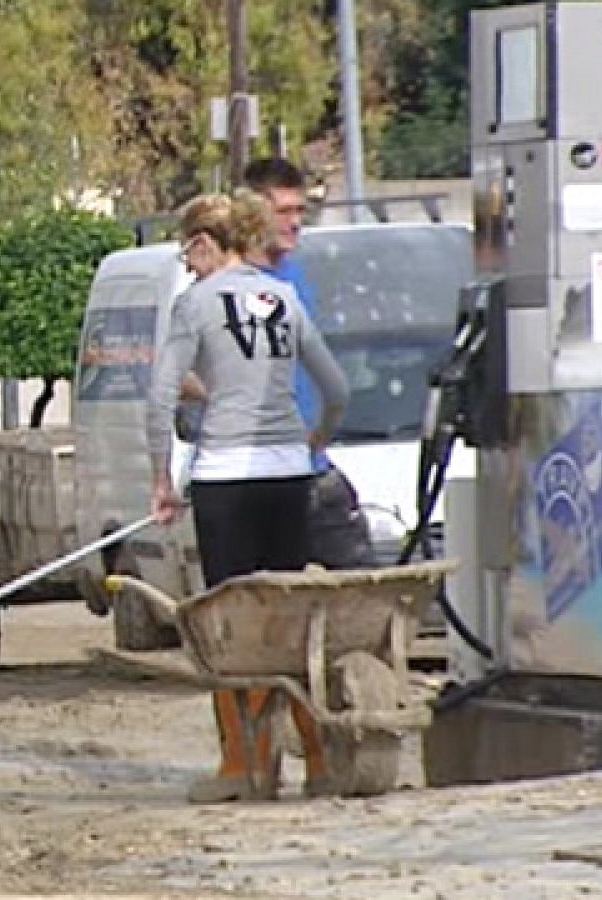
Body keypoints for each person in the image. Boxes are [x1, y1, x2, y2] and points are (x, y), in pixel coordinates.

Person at [145, 191, 349, 803]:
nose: (190, 265)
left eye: (190, 252)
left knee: (230, 627)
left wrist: (162, 478)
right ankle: (316, 760)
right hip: (288, 474)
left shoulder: (196, 303)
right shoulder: (284, 297)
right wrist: (309, 444)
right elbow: (335, 388)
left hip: (225, 477)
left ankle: (246, 764)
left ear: (206, 242)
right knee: (289, 619)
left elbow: (159, 399)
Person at [241, 158, 376, 571]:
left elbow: (327, 380)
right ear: (252, 212)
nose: (296, 222)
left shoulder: (294, 278)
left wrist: (319, 438)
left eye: (301, 211)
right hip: (256, 479)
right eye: (284, 211)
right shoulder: (227, 288)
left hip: (313, 470)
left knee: (366, 595)